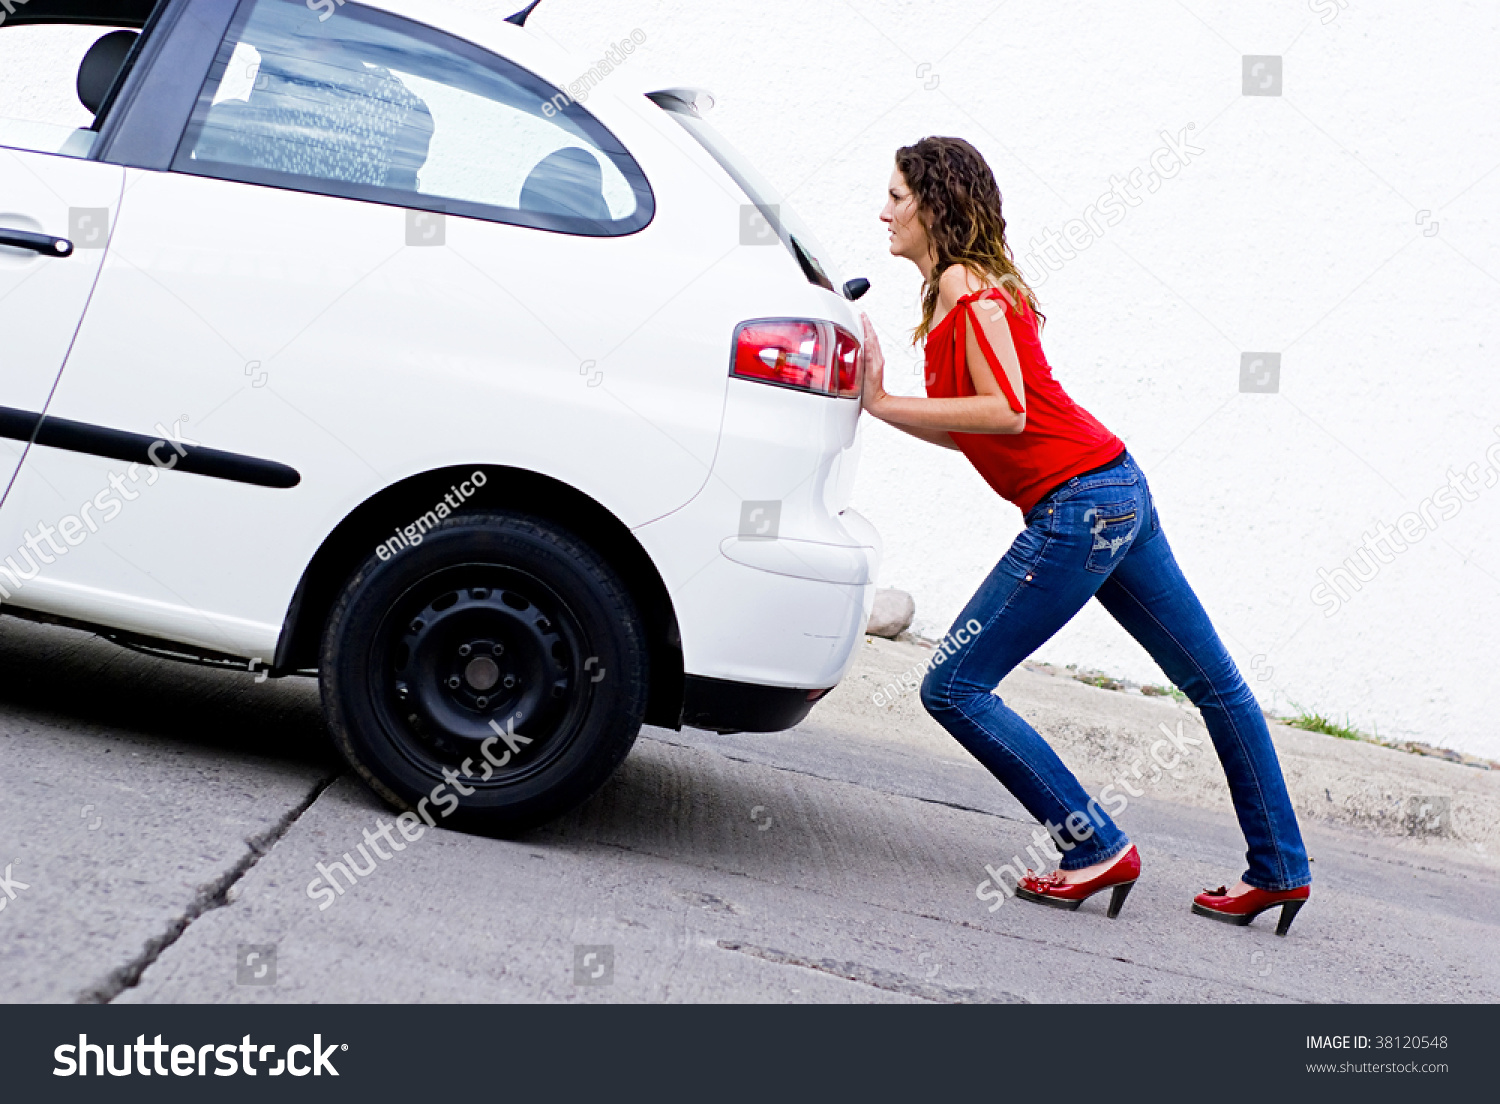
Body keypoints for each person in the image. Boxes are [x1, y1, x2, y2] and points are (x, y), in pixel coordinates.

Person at [858, 136, 1311, 935]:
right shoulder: (964, 288)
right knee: (1218, 685)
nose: (883, 210)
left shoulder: (968, 286)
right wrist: (885, 403)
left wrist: (885, 402)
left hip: (1079, 507)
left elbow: (1007, 412)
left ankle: (1094, 844)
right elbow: (982, 430)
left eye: (897, 195)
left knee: (953, 685)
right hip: (1114, 486)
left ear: (934, 204)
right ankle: (1279, 869)